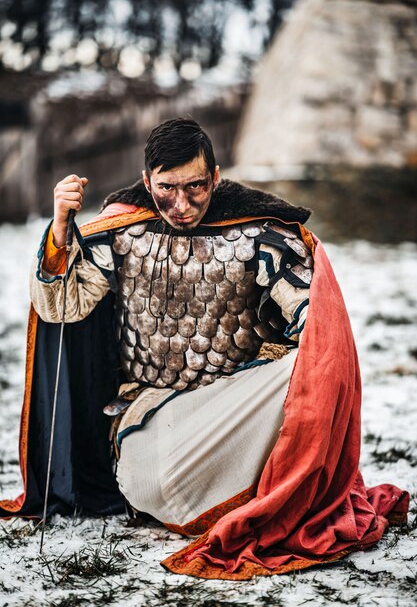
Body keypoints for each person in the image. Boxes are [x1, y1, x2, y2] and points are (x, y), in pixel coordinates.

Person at [0, 118, 409, 580]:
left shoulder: (259, 233)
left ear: (215, 177)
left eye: (195, 186)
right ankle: (241, 499)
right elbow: (59, 307)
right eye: (166, 189)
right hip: (152, 420)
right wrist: (59, 229)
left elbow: (314, 322)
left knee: (313, 360)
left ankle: (261, 494)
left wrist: (305, 333)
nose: (181, 204)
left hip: (235, 418)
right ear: (146, 180)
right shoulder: (121, 231)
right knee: (153, 482)